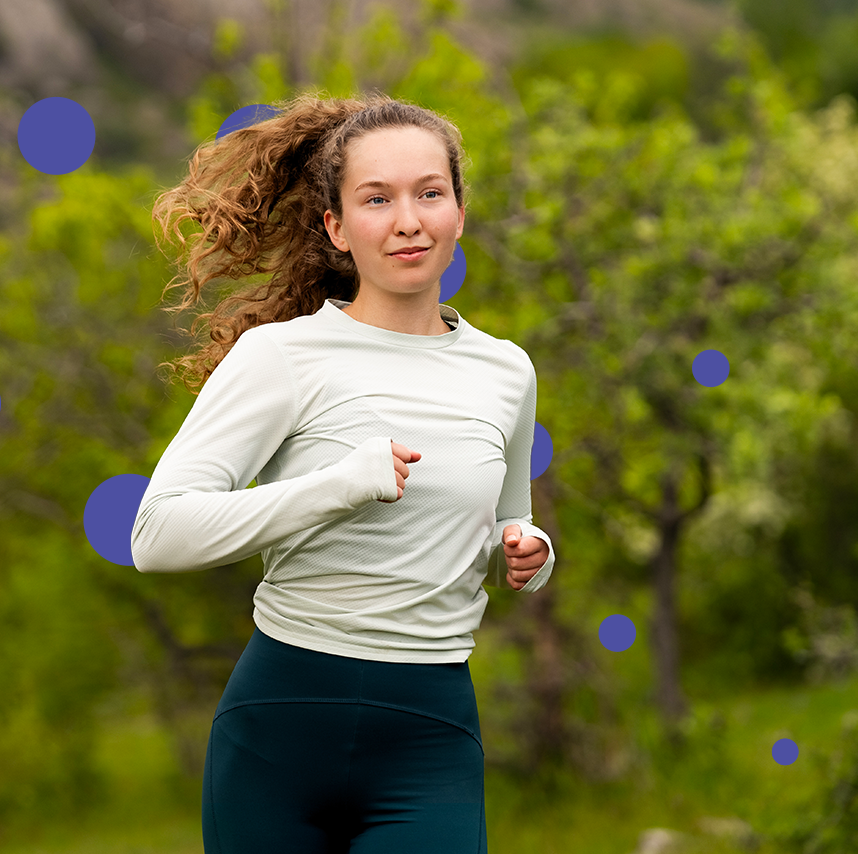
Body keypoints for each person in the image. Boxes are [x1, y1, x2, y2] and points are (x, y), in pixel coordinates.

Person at [132, 89, 557, 854]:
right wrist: (339, 485)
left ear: (460, 211)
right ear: (335, 227)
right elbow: (158, 535)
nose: (408, 220)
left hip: (430, 735)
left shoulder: (507, 371)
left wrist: (526, 551)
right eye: (376, 199)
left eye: (431, 193)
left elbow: (502, 530)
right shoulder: (281, 357)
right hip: (280, 730)